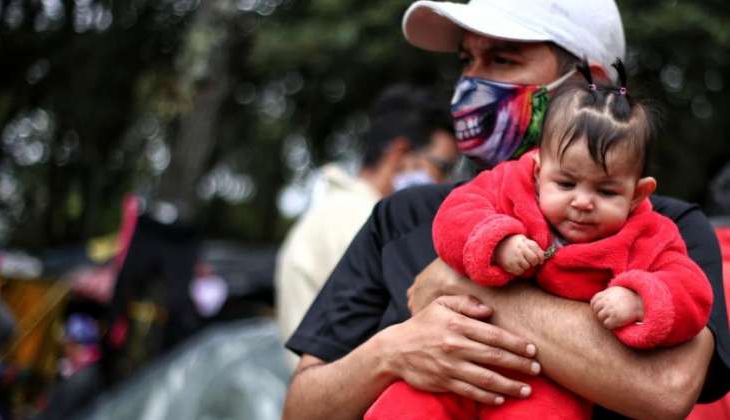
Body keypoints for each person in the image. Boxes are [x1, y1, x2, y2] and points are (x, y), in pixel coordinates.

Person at [282, 0, 730, 419]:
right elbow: (301, 405)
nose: (471, 83)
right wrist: (389, 353)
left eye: (502, 60)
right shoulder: (405, 216)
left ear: (590, 81)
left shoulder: (664, 227)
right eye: (466, 60)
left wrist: (469, 285)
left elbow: (668, 390)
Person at [365, 63, 713, 419]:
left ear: (638, 194)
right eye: (565, 184)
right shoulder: (509, 186)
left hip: (544, 382)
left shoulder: (650, 234)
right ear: (537, 170)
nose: (582, 201)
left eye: (606, 191)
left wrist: (640, 300)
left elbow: (692, 292)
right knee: (403, 406)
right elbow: (454, 216)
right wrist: (497, 242)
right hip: (456, 361)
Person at [275, 84, 458, 368]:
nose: (446, 184)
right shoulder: (362, 225)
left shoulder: (331, 214)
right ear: (400, 154)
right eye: (443, 167)